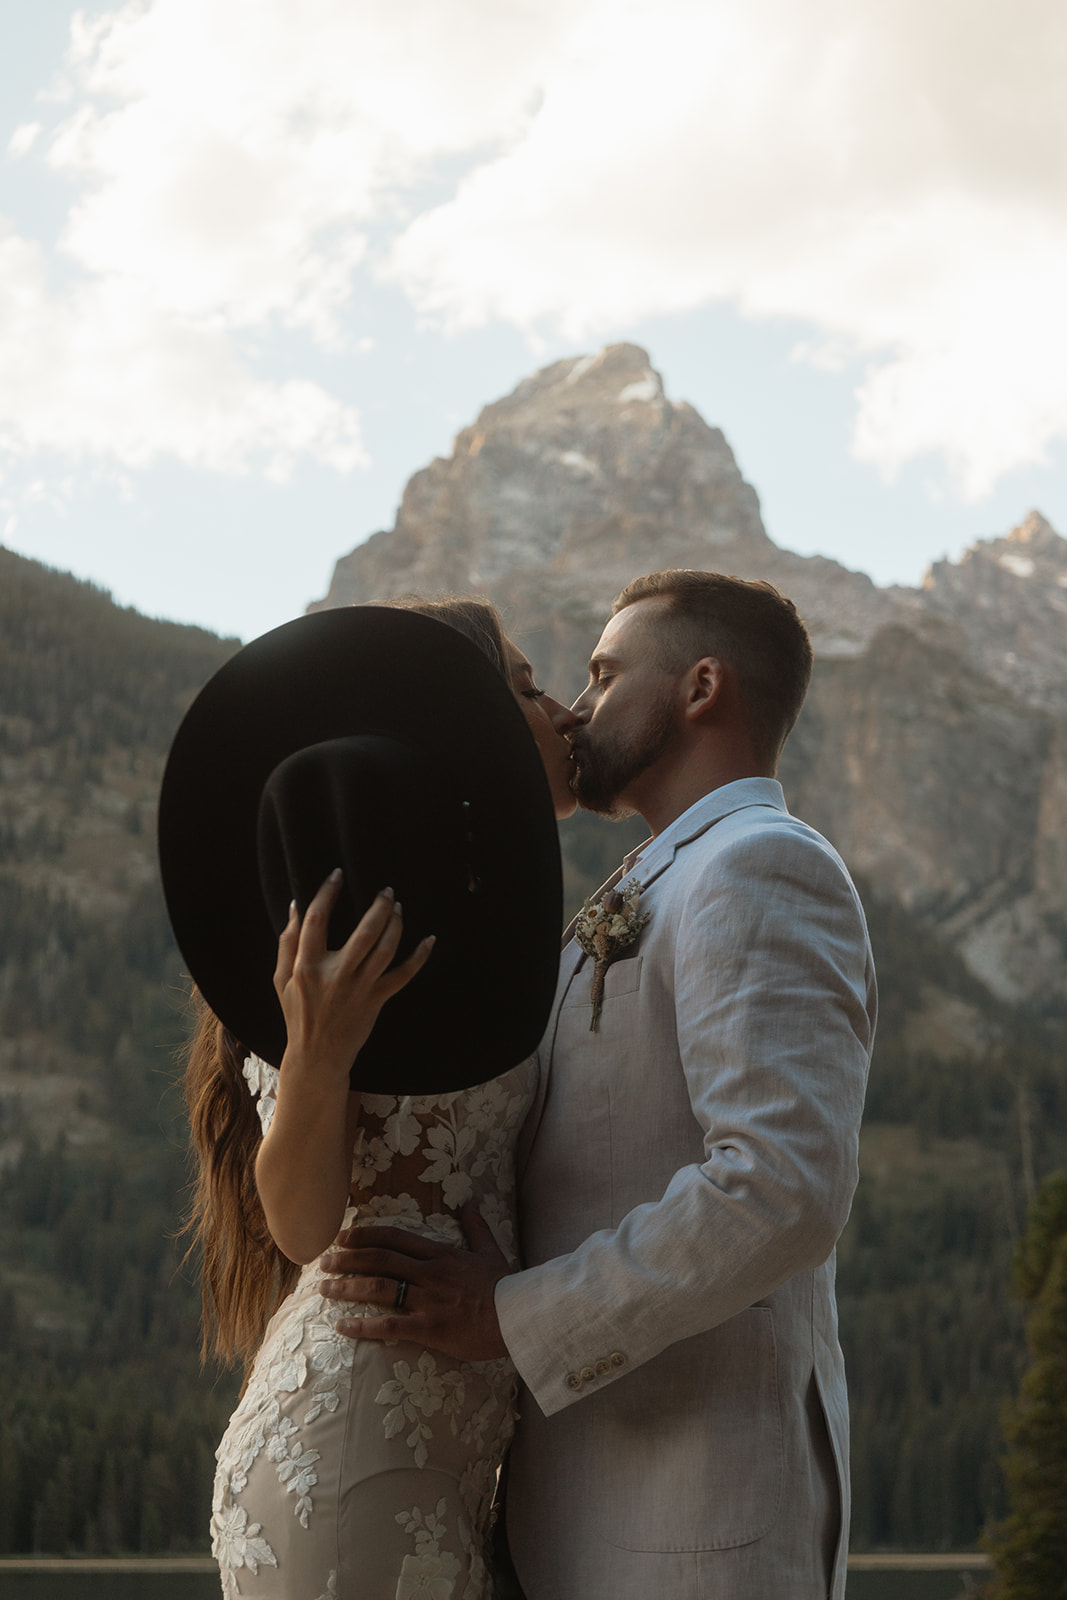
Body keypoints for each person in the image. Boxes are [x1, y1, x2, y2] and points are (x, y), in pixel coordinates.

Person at [320, 571, 877, 1600]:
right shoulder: (653, 879)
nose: (576, 707)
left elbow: (779, 1188)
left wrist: (513, 1319)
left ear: (699, 686)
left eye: (605, 672)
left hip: (696, 1525)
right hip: (569, 1519)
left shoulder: (757, 866)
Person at [172, 598, 580, 1600]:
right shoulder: (348, 943)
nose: (564, 712)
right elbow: (304, 1224)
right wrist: (315, 1055)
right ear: (467, 727)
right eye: (527, 688)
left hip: (446, 1456)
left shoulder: (484, 944)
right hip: (352, 1444)